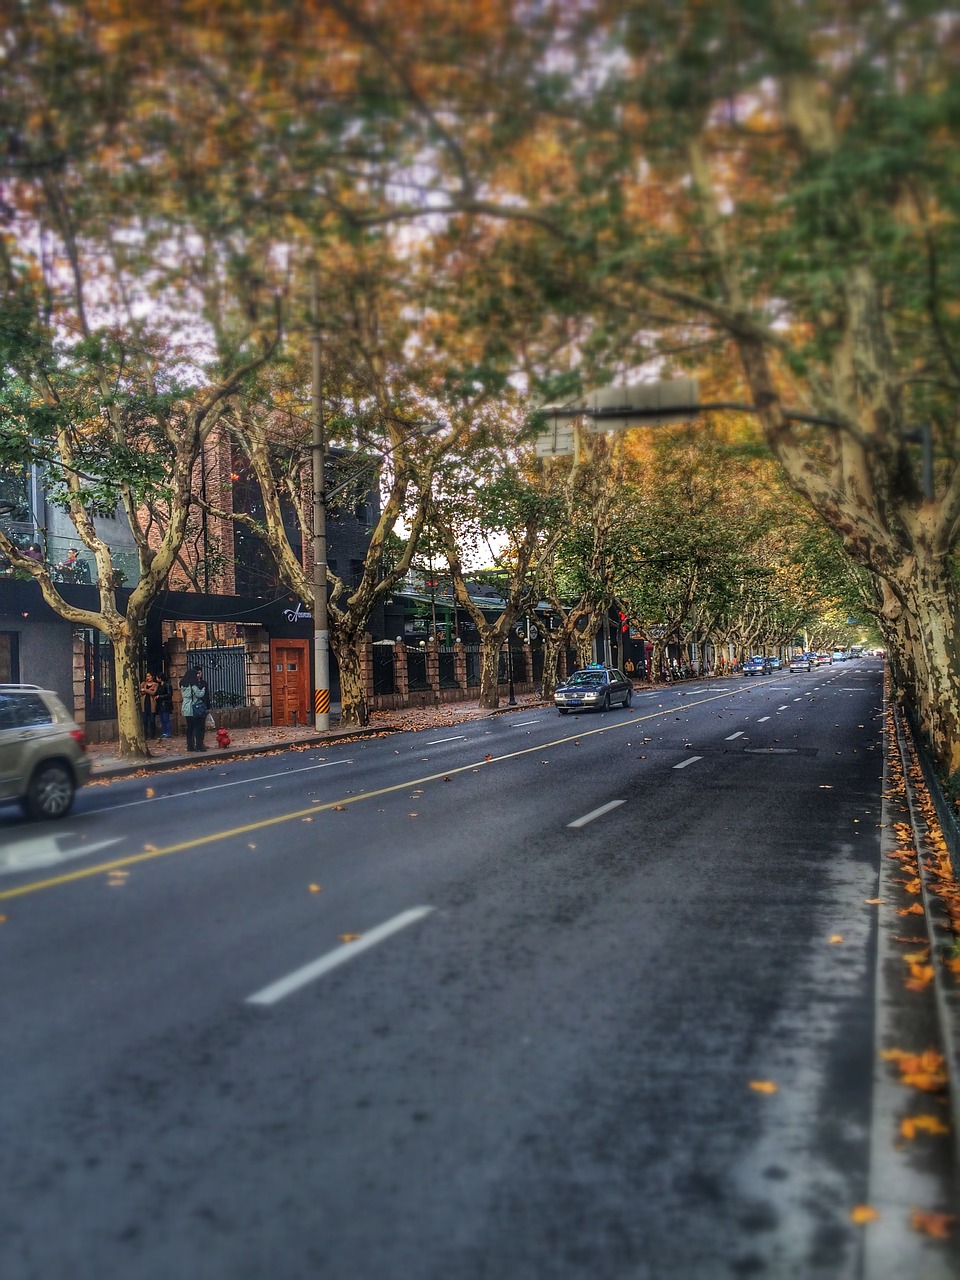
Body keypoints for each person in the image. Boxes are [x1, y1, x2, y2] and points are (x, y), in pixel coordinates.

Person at [179, 666, 211, 752]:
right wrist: (203, 690)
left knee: (190, 728)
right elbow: (199, 694)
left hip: (185, 707)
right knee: (198, 727)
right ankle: (199, 746)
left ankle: (190, 745)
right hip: (194, 708)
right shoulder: (193, 685)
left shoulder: (183, 685)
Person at [139, 671, 161, 740]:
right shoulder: (143, 683)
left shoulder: (155, 684)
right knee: (144, 721)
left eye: (149, 676)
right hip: (144, 704)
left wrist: (145, 690)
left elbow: (153, 692)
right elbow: (141, 692)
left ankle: (152, 735)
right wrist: (148, 690)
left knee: (152, 721)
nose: (148, 678)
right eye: (147, 676)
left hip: (152, 704)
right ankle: (145, 735)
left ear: (152, 677)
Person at [155, 671, 173, 739]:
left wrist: (160, 696)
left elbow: (169, 694)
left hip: (165, 704)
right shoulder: (159, 685)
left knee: (166, 719)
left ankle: (168, 732)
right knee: (162, 719)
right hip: (160, 704)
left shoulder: (167, 684)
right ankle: (164, 732)